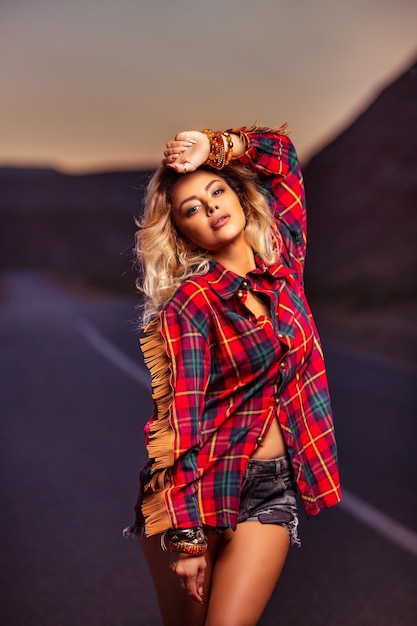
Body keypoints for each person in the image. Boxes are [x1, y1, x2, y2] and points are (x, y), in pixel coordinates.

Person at [124, 124, 341, 626]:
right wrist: (186, 535)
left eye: (217, 190)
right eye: (191, 208)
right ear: (181, 232)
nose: (211, 207)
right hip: (195, 492)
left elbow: (283, 157)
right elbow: (180, 421)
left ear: (241, 198)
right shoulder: (191, 304)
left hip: (270, 487)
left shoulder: (284, 266)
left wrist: (214, 146)